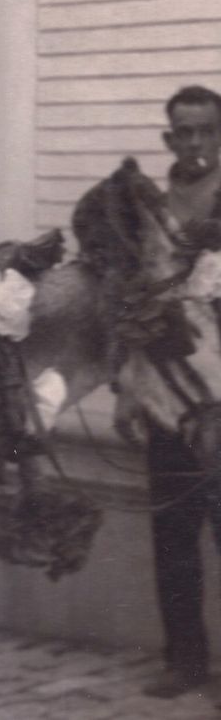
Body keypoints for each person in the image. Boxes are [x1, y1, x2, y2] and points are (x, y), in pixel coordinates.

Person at [141, 84, 221, 698]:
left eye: (206, 131)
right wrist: (126, 391)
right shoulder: (148, 206)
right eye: (183, 132)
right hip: (165, 395)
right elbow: (132, 306)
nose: (194, 142)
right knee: (172, 534)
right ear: (169, 137)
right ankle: (185, 660)